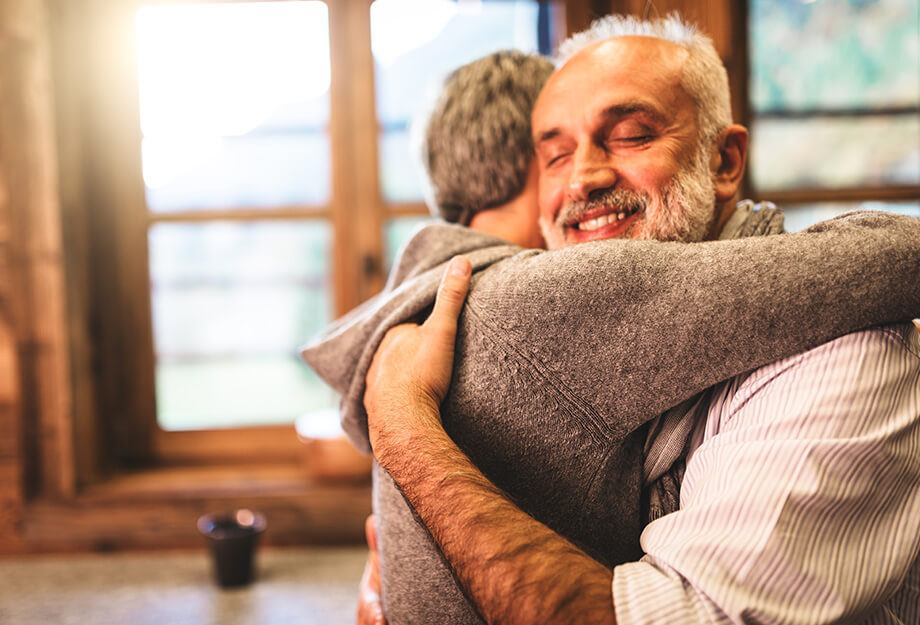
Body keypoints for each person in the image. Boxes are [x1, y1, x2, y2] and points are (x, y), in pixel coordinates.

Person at [356, 15, 920, 625]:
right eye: (555, 154)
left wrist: (401, 427)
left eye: (629, 135)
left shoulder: (840, 355)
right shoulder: (526, 313)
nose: (585, 177)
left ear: (726, 160)